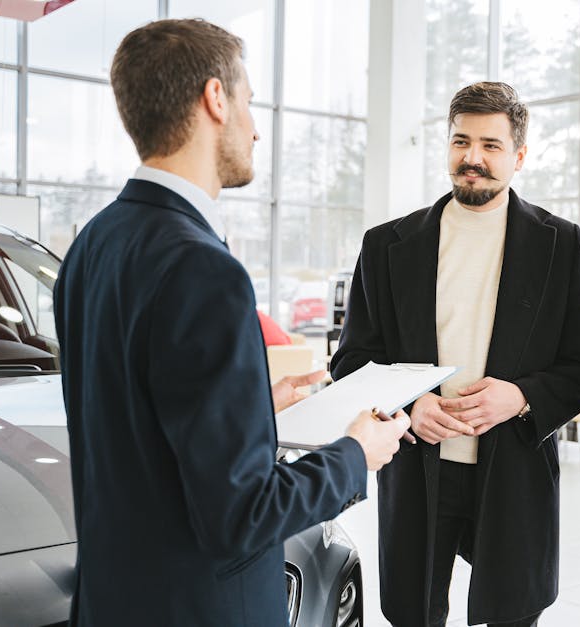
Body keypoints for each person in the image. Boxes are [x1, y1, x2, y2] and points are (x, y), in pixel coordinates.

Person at [53, 19, 409, 626]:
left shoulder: (94, 243)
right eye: (248, 101)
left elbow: (131, 431)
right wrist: (358, 451)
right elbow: (243, 515)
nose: (255, 126)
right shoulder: (202, 268)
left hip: (116, 600)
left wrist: (251, 412)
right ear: (215, 98)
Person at [331, 81, 580, 627]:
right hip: (418, 467)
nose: (473, 159)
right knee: (414, 613)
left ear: (519, 155)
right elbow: (351, 361)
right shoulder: (387, 244)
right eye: (461, 142)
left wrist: (521, 396)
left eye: (490, 145)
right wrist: (409, 406)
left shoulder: (560, 243)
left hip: (513, 470)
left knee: (512, 612)